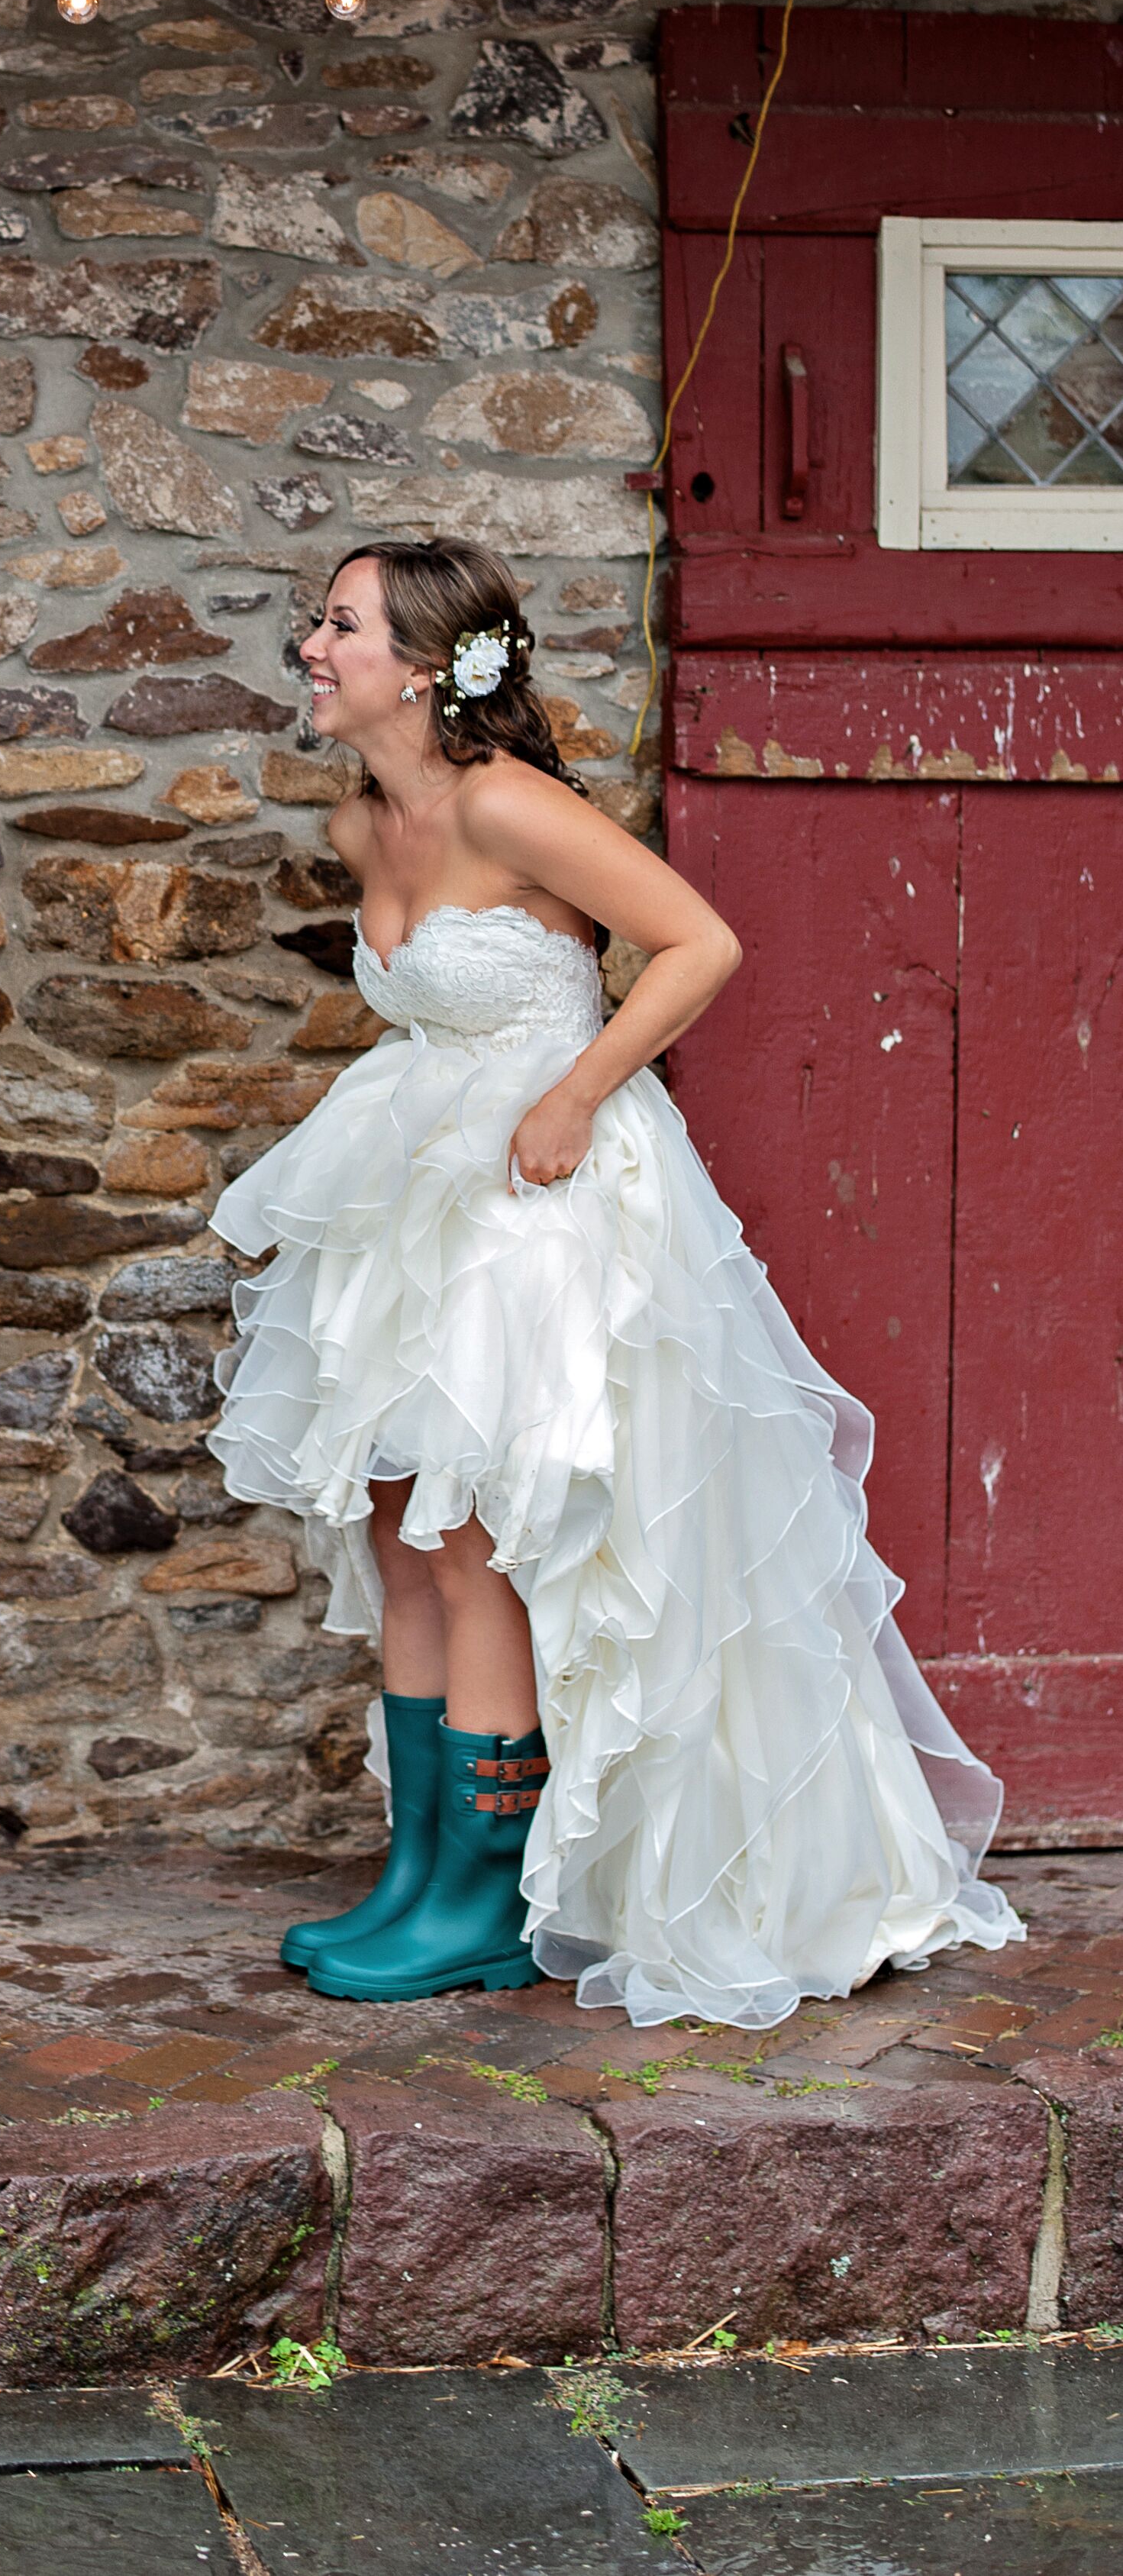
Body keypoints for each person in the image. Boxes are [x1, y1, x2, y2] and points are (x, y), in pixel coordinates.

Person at [208, 537, 1019, 2029]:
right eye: (316, 621)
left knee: (481, 1541)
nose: (310, 647)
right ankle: (416, 1869)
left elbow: (696, 942)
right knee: (396, 1525)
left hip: (547, 1196)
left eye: (339, 625)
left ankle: (484, 1901)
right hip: (421, 1194)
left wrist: (576, 1093)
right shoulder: (357, 822)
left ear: (428, 662)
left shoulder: (508, 804)